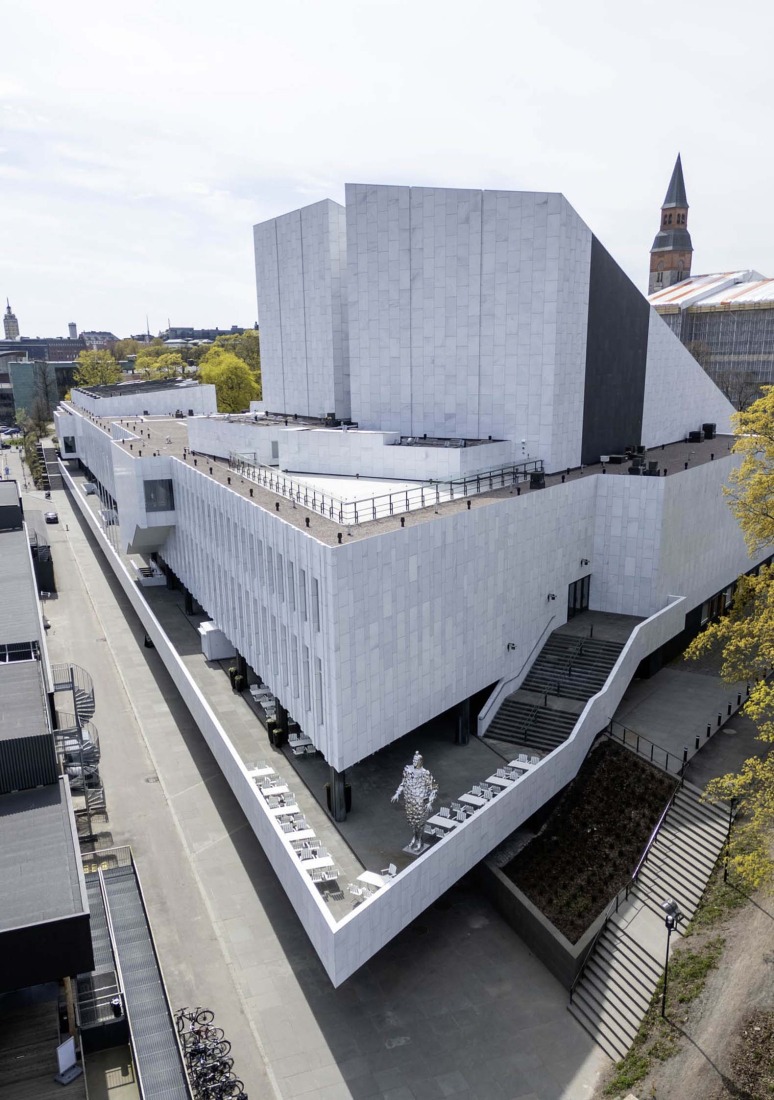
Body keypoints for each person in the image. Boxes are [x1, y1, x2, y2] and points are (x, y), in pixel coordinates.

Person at [392, 751, 438, 853]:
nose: (414, 761)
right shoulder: (408, 769)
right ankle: (416, 838)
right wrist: (397, 793)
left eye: (416, 760)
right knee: (412, 822)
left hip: (421, 802)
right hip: (410, 801)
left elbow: (434, 788)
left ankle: (419, 841)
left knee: (419, 822)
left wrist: (430, 802)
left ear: (420, 761)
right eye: (413, 760)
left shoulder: (425, 773)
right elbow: (403, 783)